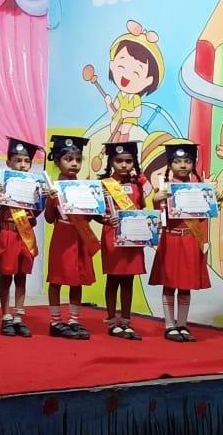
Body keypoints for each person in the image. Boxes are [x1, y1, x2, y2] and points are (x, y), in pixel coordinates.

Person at [149, 142, 220, 343]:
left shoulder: (200, 189)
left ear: (193, 164)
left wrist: (217, 201)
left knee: (186, 285)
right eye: (177, 161)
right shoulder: (163, 188)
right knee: (169, 284)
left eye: (187, 161)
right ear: (170, 165)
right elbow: (160, 218)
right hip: (171, 239)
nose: (182, 165)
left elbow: (204, 217)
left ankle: (182, 325)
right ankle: (170, 326)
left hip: (190, 239)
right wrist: (156, 200)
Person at [43, 135, 98, 340]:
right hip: (62, 237)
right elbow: (49, 219)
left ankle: (74, 320)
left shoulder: (85, 187)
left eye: (78, 160)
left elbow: (90, 216)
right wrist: (50, 200)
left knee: (78, 280)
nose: (74, 164)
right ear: (57, 162)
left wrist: (97, 203)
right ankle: (55, 322)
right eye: (68, 159)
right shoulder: (54, 187)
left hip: (80, 236)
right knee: (56, 279)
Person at [0, 138, 43, 337]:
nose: (22, 165)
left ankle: (19, 316)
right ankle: (5, 316)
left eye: (27, 161)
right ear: (9, 162)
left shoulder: (34, 185)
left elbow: (37, 212)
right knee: (6, 276)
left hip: (25, 234)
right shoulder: (2, 182)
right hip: (8, 232)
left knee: (22, 276)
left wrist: (43, 197)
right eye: (18, 160)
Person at [98, 141, 149, 340]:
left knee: (129, 280)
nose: (124, 165)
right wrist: (104, 219)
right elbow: (95, 213)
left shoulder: (138, 185)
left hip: (132, 237)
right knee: (113, 279)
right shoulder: (104, 184)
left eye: (129, 161)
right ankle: (112, 321)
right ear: (111, 162)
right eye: (119, 161)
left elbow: (142, 209)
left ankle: (126, 321)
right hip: (112, 235)